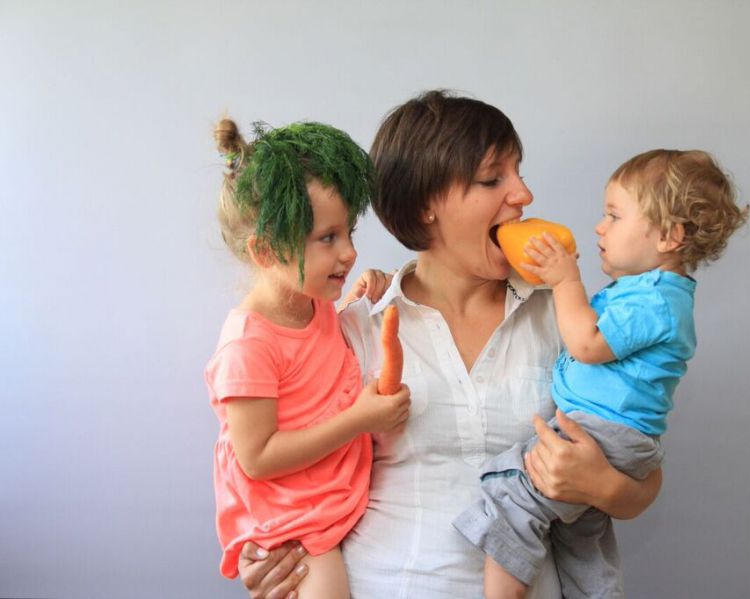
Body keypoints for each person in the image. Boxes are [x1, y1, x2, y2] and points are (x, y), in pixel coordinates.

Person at [237, 90, 664, 599]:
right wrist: (267, 551)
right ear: (427, 206)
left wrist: (603, 486)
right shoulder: (356, 328)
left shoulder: (567, 319)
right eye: (492, 178)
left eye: (519, 172)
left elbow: (641, 473)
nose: (524, 194)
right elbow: (278, 463)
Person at [453, 149, 750, 598]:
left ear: (669, 236)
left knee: (512, 500)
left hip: (603, 431)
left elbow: (587, 344)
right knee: (581, 540)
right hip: (615, 435)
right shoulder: (648, 293)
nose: (599, 227)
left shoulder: (655, 300)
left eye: (614, 215)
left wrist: (565, 281)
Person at [205, 119, 411, 598]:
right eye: (327, 238)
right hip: (294, 527)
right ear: (265, 251)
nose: (350, 252)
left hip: (324, 503)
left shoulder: (312, 304)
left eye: (348, 232)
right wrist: (359, 420)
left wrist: (353, 300)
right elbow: (257, 457)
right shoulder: (247, 345)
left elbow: (315, 365)